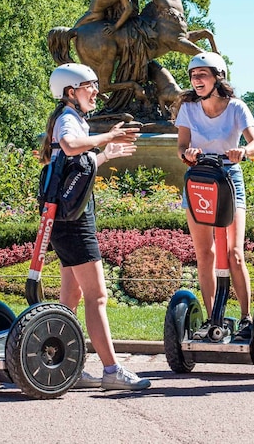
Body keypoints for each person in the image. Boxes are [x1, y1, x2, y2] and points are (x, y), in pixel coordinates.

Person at [40, 62, 150, 391]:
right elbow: (73, 146)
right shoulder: (68, 119)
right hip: (74, 222)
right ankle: (111, 370)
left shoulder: (72, 119)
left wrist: (105, 155)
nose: (96, 92)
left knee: (70, 298)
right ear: (70, 91)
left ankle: (62, 366)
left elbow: (75, 162)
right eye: (90, 86)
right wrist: (109, 136)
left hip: (65, 217)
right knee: (97, 296)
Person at [175, 52, 254, 340]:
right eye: (193, 75)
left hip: (229, 178)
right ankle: (214, 319)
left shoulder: (236, 108)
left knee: (234, 253)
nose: (196, 80)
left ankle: (247, 318)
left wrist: (243, 152)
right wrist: (187, 154)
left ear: (217, 77)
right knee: (205, 253)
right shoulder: (188, 107)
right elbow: (181, 147)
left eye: (202, 74)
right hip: (199, 178)